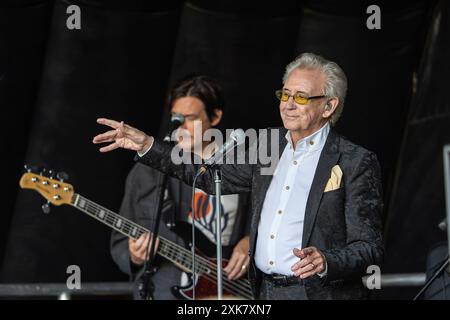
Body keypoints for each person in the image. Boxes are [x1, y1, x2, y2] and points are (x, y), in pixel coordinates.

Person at [94, 53, 384, 300]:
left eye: (301, 97)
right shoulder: (268, 147)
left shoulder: (354, 160)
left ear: (329, 106)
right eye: (285, 94)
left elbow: (368, 247)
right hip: (262, 292)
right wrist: (147, 145)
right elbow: (207, 175)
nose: (288, 104)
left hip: (315, 292)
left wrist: (326, 261)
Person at [110, 75, 251, 300]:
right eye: (177, 118)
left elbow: (267, 219)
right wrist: (135, 255)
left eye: (191, 118)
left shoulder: (239, 167)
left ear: (215, 117)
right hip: (163, 290)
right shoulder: (148, 171)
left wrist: (250, 241)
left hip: (227, 290)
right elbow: (119, 240)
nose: (182, 127)